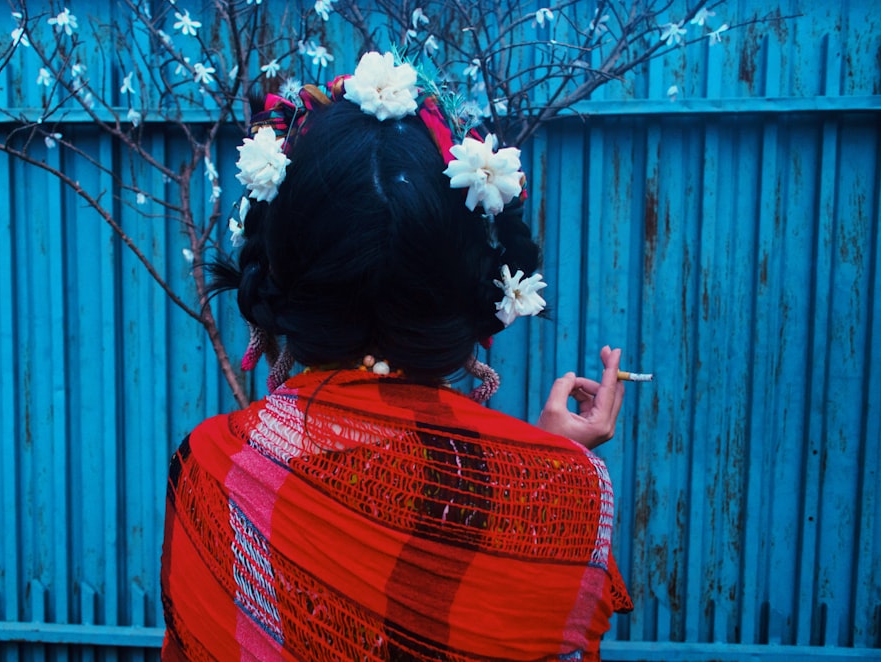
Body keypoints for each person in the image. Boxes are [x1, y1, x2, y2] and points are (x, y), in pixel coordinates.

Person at [161, 51, 632, 661]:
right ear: (476, 283)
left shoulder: (213, 469)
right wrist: (546, 475)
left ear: (283, 269)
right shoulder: (572, 491)